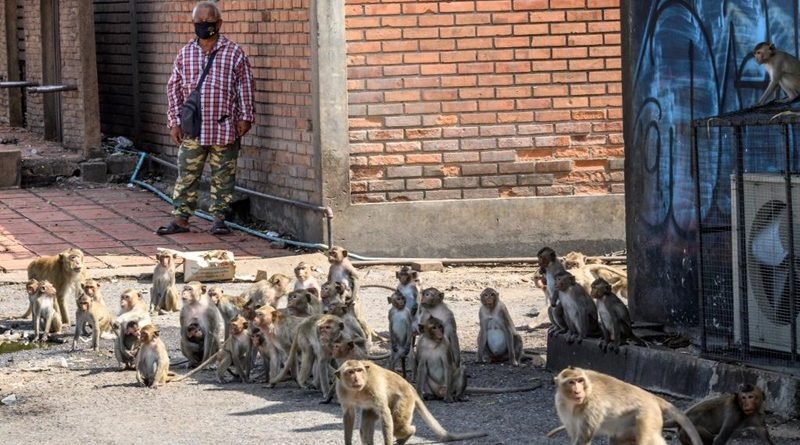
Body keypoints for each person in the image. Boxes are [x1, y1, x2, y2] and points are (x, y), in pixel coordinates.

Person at [158, 1, 254, 236]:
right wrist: (174, 121)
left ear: (218, 23)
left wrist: (246, 116)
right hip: (193, 128)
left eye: (208, 21)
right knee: (187, 174)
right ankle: (181, 219)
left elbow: (245, 86)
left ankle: (220, 219)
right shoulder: (185, 53)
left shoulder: (234, 52)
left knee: (223, 176)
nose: (203, 25)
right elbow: (174, 89)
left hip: (224, 126)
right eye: (198, 22)